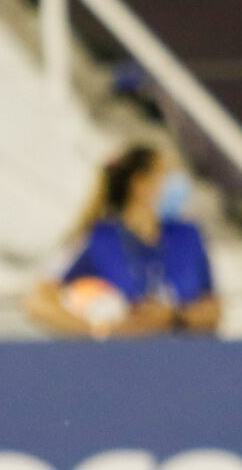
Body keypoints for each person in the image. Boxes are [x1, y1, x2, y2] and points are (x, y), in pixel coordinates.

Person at [25, 144, 221, 338]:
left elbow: (214, 309)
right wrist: (99, 331)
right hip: (124, 361)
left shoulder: (188, 236)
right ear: (140, 184)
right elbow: (39, 303)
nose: (179, 185)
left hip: (186, 359)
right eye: (167, 174)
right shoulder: (97, 238)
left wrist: (175, 318)